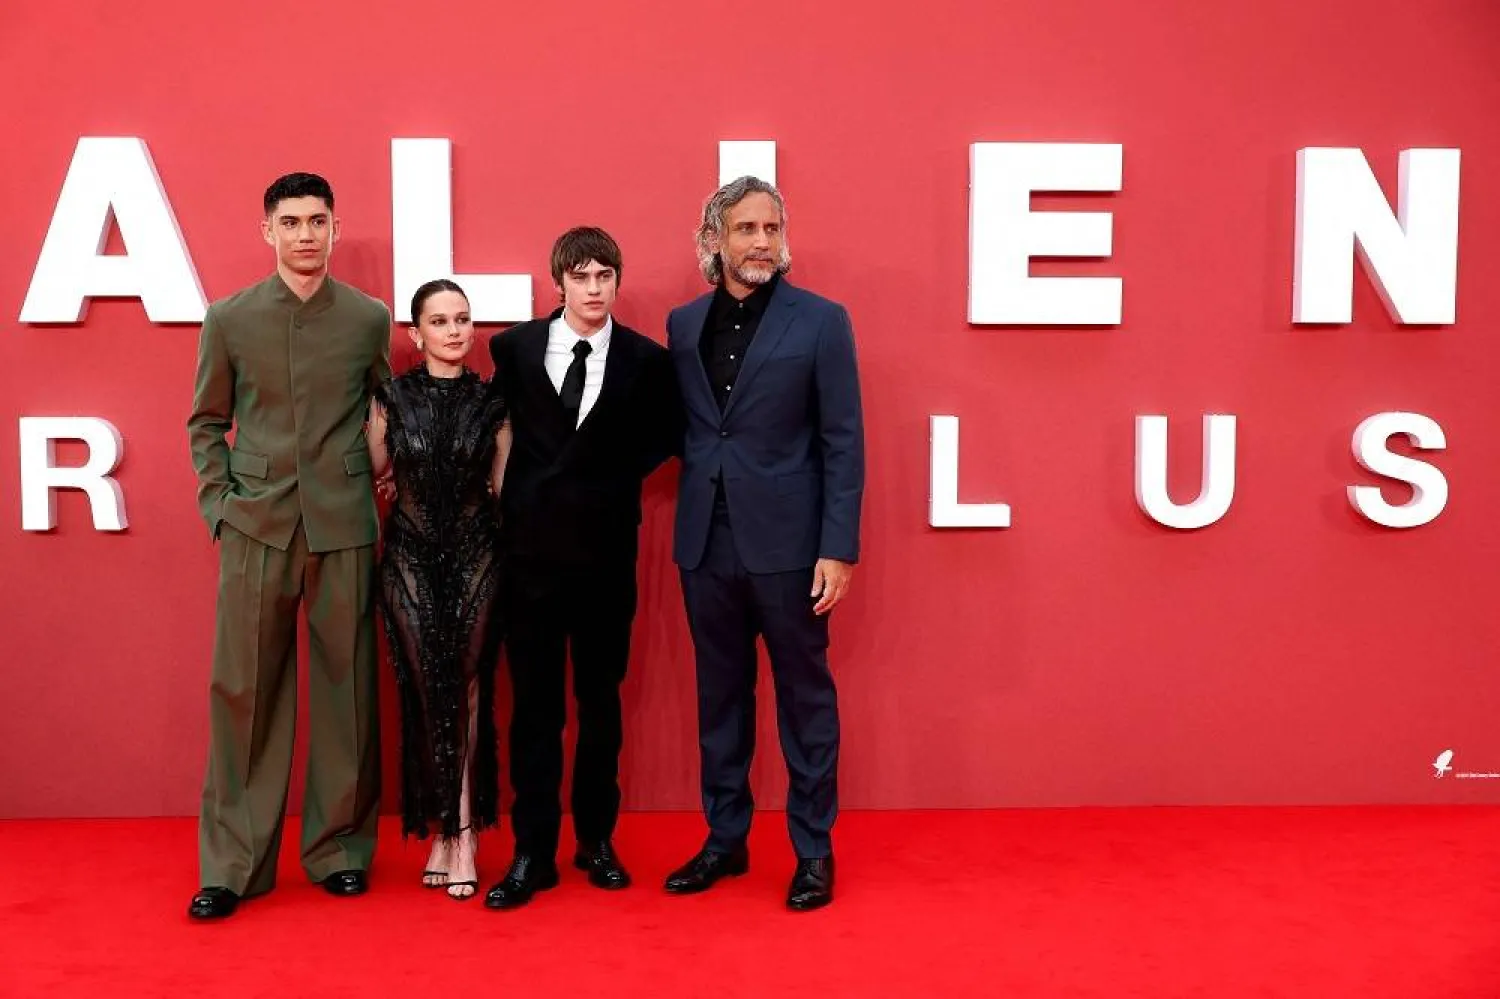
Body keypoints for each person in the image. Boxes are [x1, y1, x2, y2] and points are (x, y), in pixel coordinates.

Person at [186, 172, 391, 920]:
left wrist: (383, 482)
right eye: (292, 221)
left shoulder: (369, 318)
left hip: (344, 524)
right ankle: (232, 864)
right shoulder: (229, 318)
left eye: (319, 221)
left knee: (351, 691)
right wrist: (220, 508)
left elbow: (383, 408)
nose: (306, 234)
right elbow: (205, 422)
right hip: (256, 525)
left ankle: (339, 849)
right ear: (266, 230)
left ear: (336, 229)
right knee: (244, 695)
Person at [663, 177, 864, 911]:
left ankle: (813, 851)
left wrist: (838, 546)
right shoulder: (683, 324)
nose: (760, 242)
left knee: (805, 700)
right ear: (714, 239)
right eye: (745, 228)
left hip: (790, 547)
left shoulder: (821, 321)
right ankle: (725, 840)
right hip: (705, 545)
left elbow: (843, 439)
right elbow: (687, 430)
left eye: (771, 228)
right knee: (720, 699)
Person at [482, 227, 678, 910]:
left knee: (601, 707)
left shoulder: (647, 360)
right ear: (558, 280)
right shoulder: (513, 348)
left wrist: (611, 475)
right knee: (534, 712)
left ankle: (596, 840)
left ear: (617, 281)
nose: (594, 288)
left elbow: (666, 435)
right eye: (582, 276)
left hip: (605, 560)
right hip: (529, 559)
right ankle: (532, 851)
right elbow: (496, 430)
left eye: (605, 276)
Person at [368, 279, 508, 901]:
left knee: (470, 688)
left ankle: (464, 834)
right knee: (428, 690)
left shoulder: (495, 404)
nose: (455, 330)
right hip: (409, 558)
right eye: (440, 320)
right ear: (414, 333)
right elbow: (372, 472)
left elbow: (504, 487)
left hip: (479, 557)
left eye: (463, 319)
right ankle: (443, 826)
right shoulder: (389, 400)